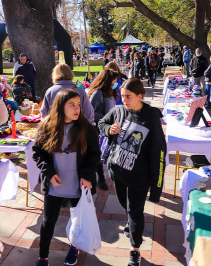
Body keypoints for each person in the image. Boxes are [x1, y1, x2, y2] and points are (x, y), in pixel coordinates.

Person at [98, 78, 166, 266]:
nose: (123, 100)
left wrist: (156, 185)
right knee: (124, 205)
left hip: (139, 177)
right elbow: (101, 123)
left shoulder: (151, 117)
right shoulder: (119, 111)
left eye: (128, 96)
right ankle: (130, 220)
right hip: (117, 172)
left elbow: (159, 152)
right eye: (122, 95)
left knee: (136, 211)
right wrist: (108, 130)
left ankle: (135, 249)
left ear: (140, 96)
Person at [33, 89, 101, 266]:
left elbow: (95, 154)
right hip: (55, 185)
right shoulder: (48, 126)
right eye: (72, 104)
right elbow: (37, 152)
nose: (77, 108)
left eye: (78, 104)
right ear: (60, 106)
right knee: (48, 222)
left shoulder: (86, 128)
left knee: (77, 221)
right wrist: (48, 172)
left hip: (78, 186)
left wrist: (87, 176)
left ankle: (74, 247)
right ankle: (43, 257)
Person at [88, 69, 121, 190]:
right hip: (98, 129)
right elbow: (90, 112)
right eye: (115, 79)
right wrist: (105, 119)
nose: (116, 82)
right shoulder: (98, 93)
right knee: (98, 155)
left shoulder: (112, 92)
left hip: (110, 128)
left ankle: (114, 177)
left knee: (112, 153)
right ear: (108, 80)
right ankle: (101, 178)